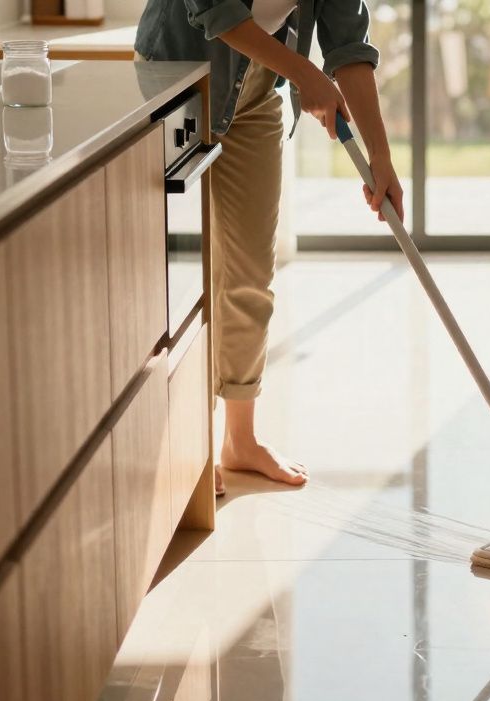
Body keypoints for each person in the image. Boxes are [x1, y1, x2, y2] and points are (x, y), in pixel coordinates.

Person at [135, 0, 404, 490]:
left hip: (257, 90)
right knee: (170, 278)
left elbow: (347, 44)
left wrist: (381, 157)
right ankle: (179, 445)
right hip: (179, 77)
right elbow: (216, 11)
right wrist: (304, 72)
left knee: (249, 270)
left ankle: (240, 441)